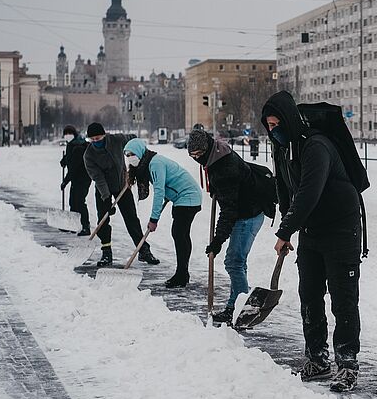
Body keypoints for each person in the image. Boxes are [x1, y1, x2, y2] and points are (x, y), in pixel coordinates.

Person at [261, 91, 363, 393]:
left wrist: (285, 231)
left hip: (341, 228)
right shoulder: (282, 148)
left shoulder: (316, 145)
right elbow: (285, 189)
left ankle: (347, 365)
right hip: (312, 231)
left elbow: (309, 192)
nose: (273, 129)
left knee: (343, 300)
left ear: (290, 119)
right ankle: (317, 358)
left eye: (277, 123)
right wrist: (287, 223)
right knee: (309, 294)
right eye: (268, 125)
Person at [187, 128, 265, 322]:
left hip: (247, 215)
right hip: (248, 209)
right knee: (238, 263)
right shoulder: (218, 152)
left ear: (206, 149)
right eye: (192, 155)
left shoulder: (223, 169)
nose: (196, 158)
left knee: (233, 262)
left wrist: (217, 241)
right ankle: (235, 305)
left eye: (198, 155)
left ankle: (241, 310)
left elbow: (229, 211)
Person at [123, 138, 202, 288]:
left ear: (140, 151)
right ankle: (183, 274)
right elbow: (166, 187)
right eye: (127, 155)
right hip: (183, 198)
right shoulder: (149, 162)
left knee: (179, 234)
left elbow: (159, 191)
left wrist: (154, 219)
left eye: (132, 154)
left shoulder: (155, 164)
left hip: (187, 197)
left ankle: (181, 275)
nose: (130, 157)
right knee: (181, 234)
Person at [83, 123, 160, 268]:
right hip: (102, 188)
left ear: (104, 135)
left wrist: (135, 155)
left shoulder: (116, 140)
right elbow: (98, 177)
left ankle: (143, 250)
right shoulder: (89, 155)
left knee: (131, 218)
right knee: (103, 220)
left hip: (122, 185)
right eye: (92, 139)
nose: (95, 141)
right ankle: (106, 252)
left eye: (98, 138)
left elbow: (133, 140)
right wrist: (106, 197)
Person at [60, 125, 92, 236]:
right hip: (76, 178)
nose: (67, 135)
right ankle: (73, 225)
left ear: (74, 134)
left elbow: (74, 167)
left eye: (69, 133)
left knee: (79, 202)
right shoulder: (72, 144)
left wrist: (65, 181)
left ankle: (86, 227)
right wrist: (64, 160)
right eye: (66, 133)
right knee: (73, 201)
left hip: (83, 178)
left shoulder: (78, 146)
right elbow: (70, 158)